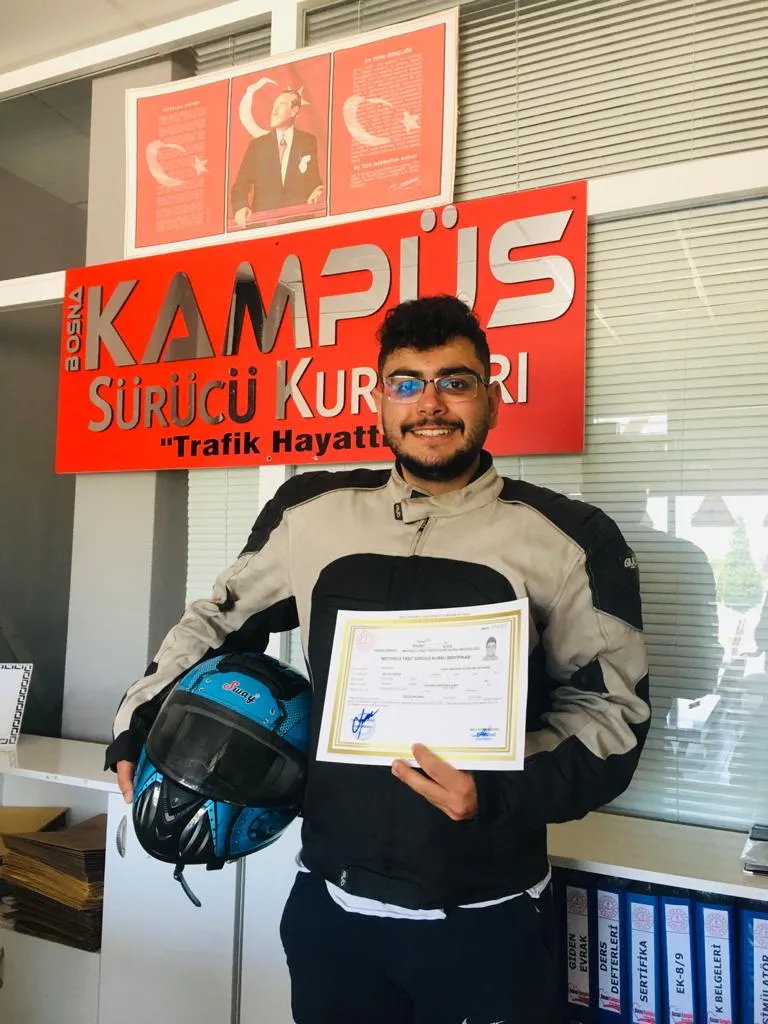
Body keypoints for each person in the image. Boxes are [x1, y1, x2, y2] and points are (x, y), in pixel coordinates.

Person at [107, 295, 650, 1024]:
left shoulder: (571, 537)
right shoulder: (310, 513)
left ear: (491, 398)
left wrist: (496, 791)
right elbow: (219, 620)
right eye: (407, 383)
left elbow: (612, 713)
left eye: (455, 381)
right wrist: (139, 719)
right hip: (332, 909)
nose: (431, 403)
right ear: (379, 400)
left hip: (487, 914)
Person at [230, 88, 324, 226]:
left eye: (281, 105)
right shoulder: (258, 146)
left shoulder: (307, 141)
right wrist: (240, 206)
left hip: (299, 223)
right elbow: (240, 186)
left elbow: (313, 179)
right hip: (265, 225)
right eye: (273, 106)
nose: (274, 111)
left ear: (294, 110)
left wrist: (318, 190)